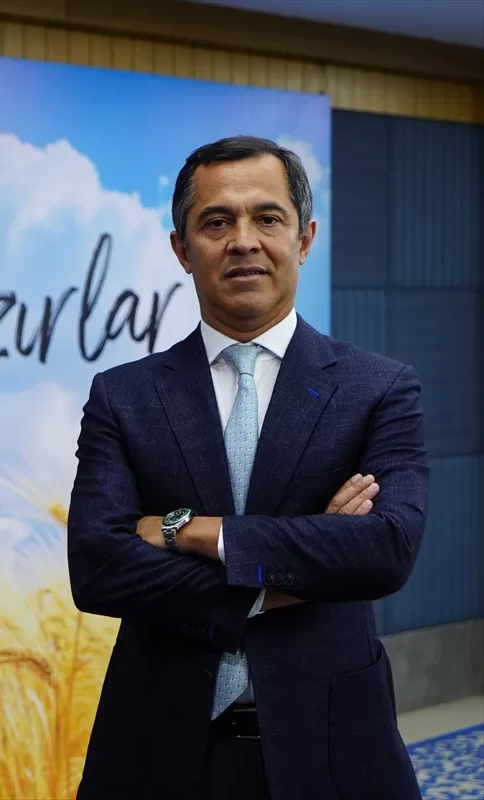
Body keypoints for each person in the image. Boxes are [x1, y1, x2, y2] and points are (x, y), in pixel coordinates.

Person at [67, 135, 428, 800]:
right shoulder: (123, 396)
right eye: (216, 222)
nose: (243, 241)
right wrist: (300, 572)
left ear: (304, 238)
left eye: (267, 218)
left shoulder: (379, 389)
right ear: (182, 249)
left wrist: (188, 531)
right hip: (157, 748)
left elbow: (385, 550)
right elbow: (97, 568)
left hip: (335, 748)